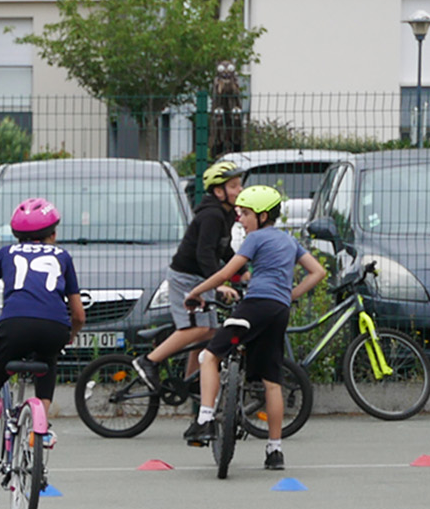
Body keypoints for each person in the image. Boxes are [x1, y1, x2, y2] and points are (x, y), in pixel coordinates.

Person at [0, 198, 86, 501]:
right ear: (52, 233)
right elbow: (78, 315)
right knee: (49, 356)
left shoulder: (6, 253)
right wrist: (70, 335)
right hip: (54, 328)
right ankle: (42, 429)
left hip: (14, 326)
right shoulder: (62, 256)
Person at [181, 184, 325, 470]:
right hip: (278, 311)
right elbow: (318, 272)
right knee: (272, 382)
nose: (240, 219)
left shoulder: (256, 238)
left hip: (255, 305)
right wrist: (291, 294)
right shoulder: (288, 241)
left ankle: (205, 420)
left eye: (245, 214)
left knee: (208, 356)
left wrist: (195, 293)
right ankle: (274, 451)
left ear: (261, 216)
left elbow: (226, 272)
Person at [132, 158, 246, 390]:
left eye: (239, 184)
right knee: (197, 329)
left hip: (200, 278)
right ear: (218, 191)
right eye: (234, 186)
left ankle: (192, 380)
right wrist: (218, 285)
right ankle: (148, 361)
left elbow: (223, 249)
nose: (240, 189)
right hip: (186, 278)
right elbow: (204, 253)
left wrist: (242, 272)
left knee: (208, 334)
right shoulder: (211, 216)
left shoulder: (225, 214)